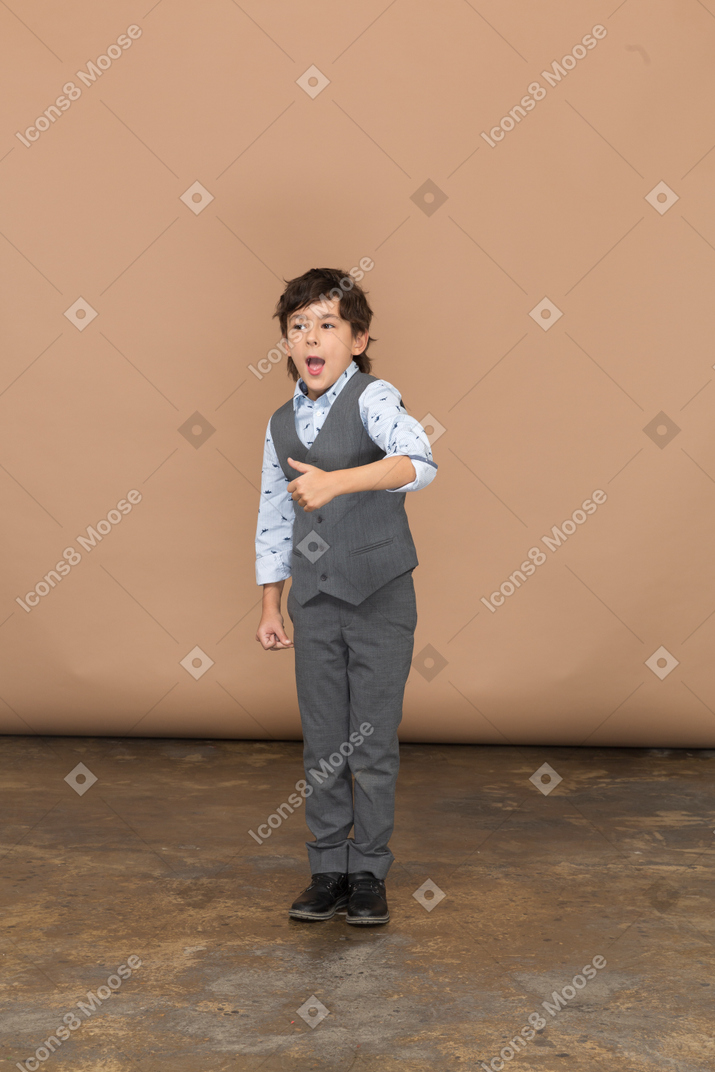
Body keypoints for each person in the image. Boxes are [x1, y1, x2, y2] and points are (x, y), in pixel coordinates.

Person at [254, 267, 437, 925]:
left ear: (356, 339)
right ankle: (327, 868)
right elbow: (273, 516)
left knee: (371, 741)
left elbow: (419, 463)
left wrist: (338, 482)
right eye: (299, 325)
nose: (312, 335)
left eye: (327, 324)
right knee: (324, 741)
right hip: (315, 601)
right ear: (285, 342)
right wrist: (272, 604)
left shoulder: (373, 397)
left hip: (380, 594)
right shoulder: (279, 423)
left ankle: (369, 873)